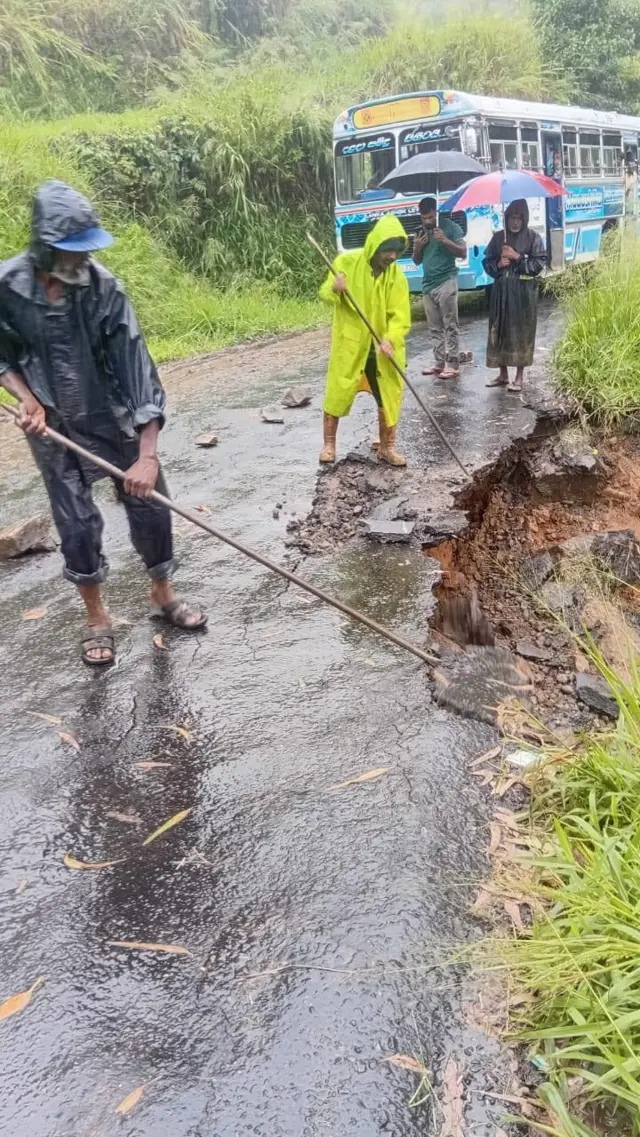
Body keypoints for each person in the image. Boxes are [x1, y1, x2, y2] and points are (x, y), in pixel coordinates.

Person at [0, 179, 207, 666]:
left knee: (152, 504)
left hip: (111, 413)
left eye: (84, 253)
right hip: (52, 424)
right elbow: (3, 354)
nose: (81, 263)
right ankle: (96, 617)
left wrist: (148, 454)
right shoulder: (7, 286)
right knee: (74, 520)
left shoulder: (104, 289)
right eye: (71, 254)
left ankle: (161, 593)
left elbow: (136, 366)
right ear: (44, 247)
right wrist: (27, 398)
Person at [319, 214, 411, 467]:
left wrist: (391, 338)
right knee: (338, 390)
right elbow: (325, 295)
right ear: (376, 245)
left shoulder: (397, 277)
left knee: (388, 394)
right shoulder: (346, 262)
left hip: (382, 348)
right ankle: (329, 444)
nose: (392, 256)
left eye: (397, 250)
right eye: (388, 249)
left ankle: (387, 447)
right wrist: (335, 289)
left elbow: (400, 316)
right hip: (352, 343)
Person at [483, 199, 546, 393]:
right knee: (499, 329)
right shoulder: (498, 238)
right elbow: (486, 262)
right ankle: (502, 374)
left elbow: (538, 265)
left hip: (523, 294)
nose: (515, 222)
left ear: (525, 219)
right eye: (512, 217)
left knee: (521, 333)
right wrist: (499, 264)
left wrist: (516, 256)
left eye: (519, 218)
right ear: (507, 218)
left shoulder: (533, 238)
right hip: (501, 292)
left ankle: (519, 377)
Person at [412, 196, 466, 381]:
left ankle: (453, 364)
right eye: (423, 218)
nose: (427, 221)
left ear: (436, 213)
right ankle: (439, 362)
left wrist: (444, 240)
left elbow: (463, 252)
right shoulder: (420, 232)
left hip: (446, 280)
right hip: (428, 284)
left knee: (450, 324)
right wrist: (417, 247)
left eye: (430, 217)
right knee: (434, 327)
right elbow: (416, 260)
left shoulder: (450, 227)